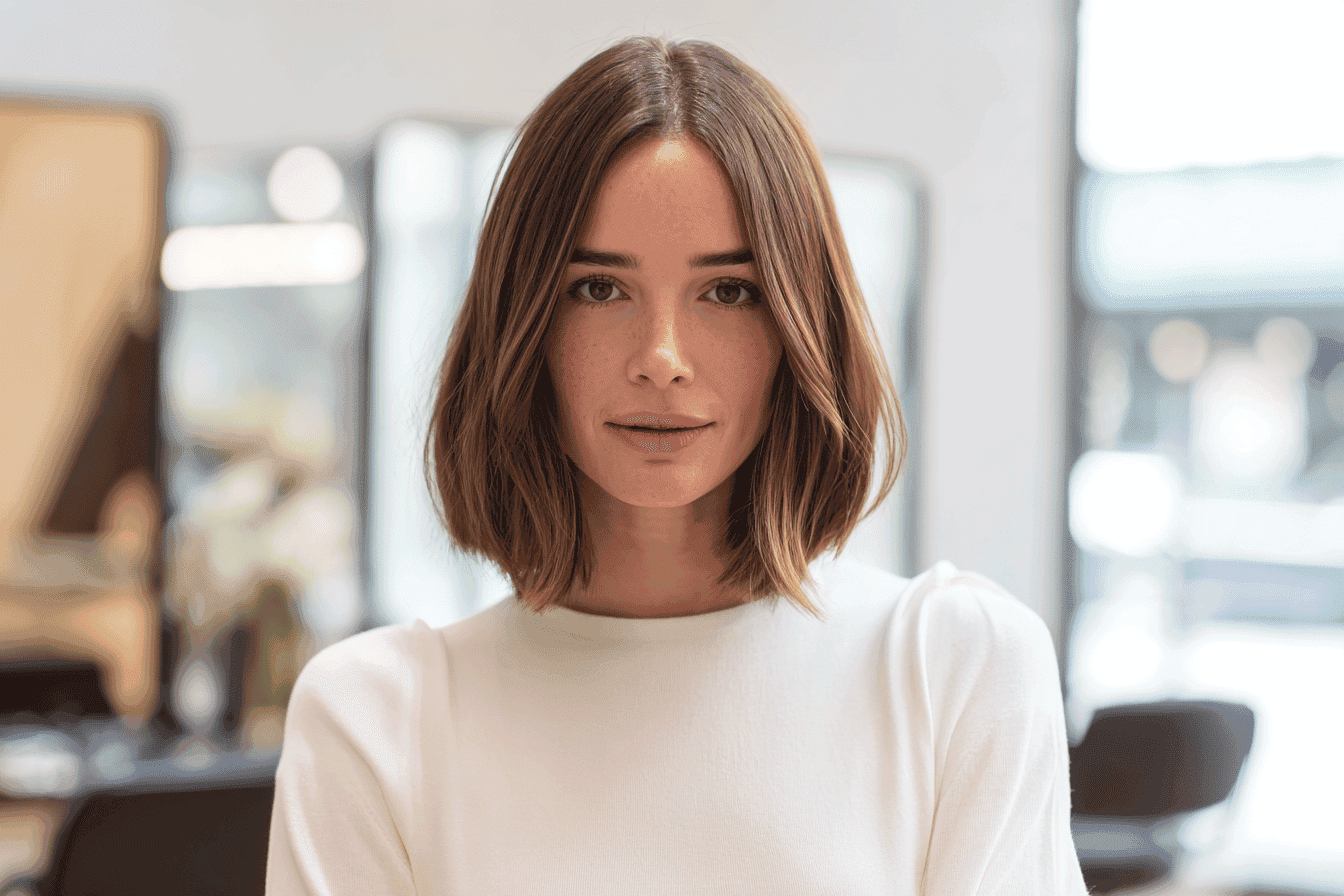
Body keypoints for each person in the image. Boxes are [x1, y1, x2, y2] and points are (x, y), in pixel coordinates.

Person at [265, 36, 1089, 894]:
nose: (662, 357)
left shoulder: (955, 669)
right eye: (599, 288)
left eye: (728, 291)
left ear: (799, 328)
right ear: (524, 325)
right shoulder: (373, 720)